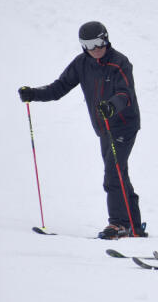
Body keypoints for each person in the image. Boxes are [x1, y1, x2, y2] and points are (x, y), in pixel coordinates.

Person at [18, 21, 144, 239]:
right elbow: (59, 88)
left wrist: (112, 106)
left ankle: (119, 224)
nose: (95, 49)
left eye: (98, 42)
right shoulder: (82, 64)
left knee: (113, 172)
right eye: (88, 44)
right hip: (103, 127)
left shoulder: (120, 63)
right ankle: (134, 225)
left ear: (106, 39)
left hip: (123, 124)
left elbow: (125, 94)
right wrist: (34, 94)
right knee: (118, 171)